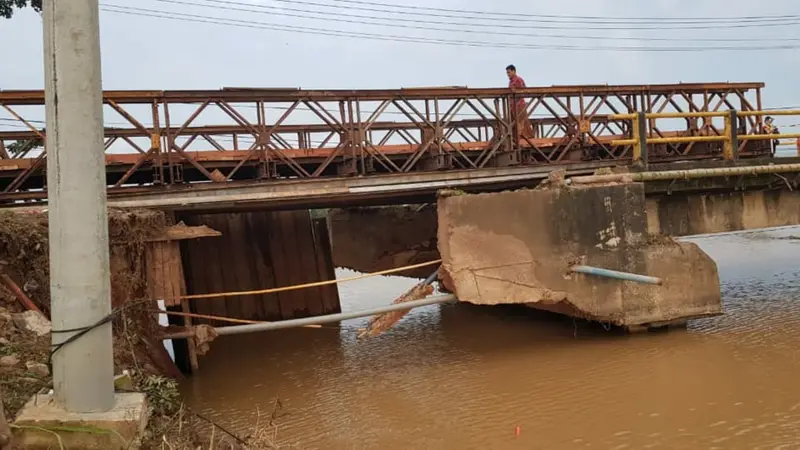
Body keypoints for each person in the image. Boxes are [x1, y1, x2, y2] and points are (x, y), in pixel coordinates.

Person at [506, 65, 535, 140]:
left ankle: (527, 139)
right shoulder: (511, 82)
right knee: (515, 124)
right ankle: (518, 139)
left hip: (519, 105)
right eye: (507, 73)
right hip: (513, 105)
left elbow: (523, 91)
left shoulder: (518, 80)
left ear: (514, 71)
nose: (508, 74)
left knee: (522, 123)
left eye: (509, 72)